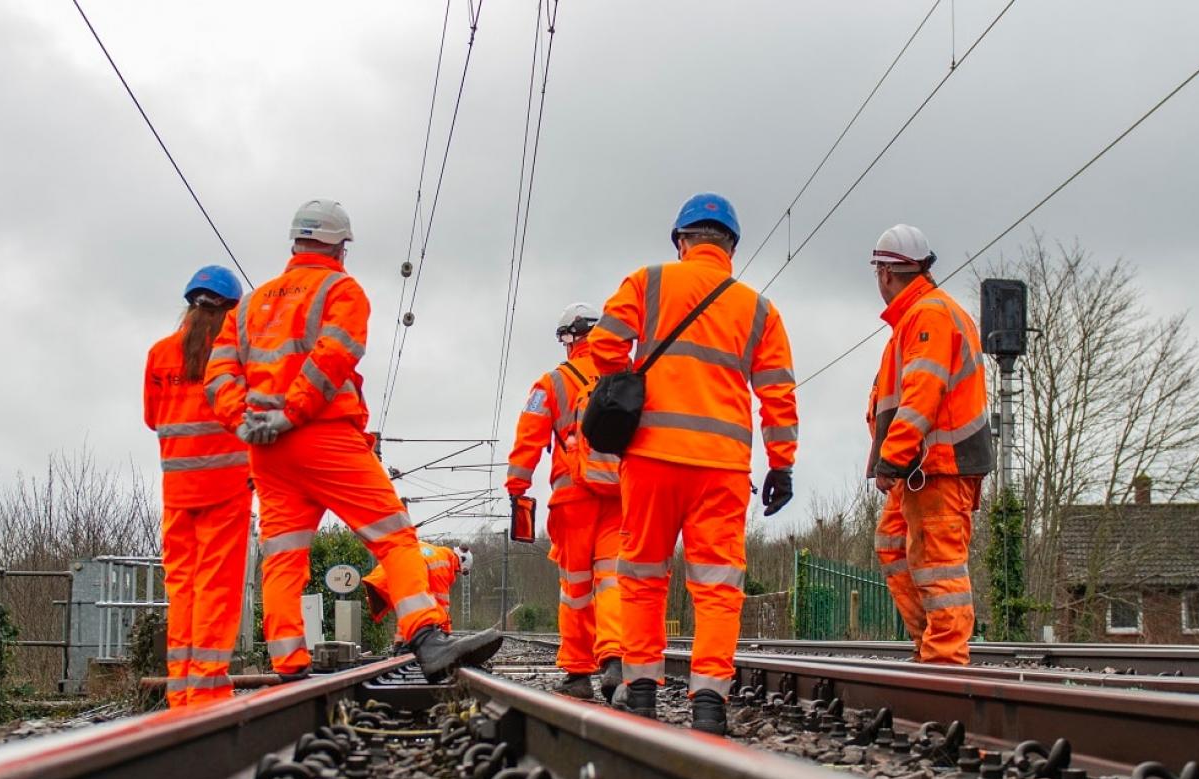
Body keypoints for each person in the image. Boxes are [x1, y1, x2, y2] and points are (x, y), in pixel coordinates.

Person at [205, 200, 501, 681]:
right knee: (395, 536)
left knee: (283, 555)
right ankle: (428, 637)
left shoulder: (250, 305)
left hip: (267, 452)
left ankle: (288, 663)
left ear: (295, 242)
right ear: (341, 247)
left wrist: (246, 422)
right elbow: (334, 356)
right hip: (322, 437)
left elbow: (218, 375)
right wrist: (292, 413)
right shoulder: (340, 289)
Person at [586, 193, 798, 735]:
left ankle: (641, 694)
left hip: (652, 457)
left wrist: (636, 378)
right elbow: (777, 393)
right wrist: (782, 464)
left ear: (682, 240)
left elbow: (604, 347)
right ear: (730, 246)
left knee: (640, 576)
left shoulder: (648, 281)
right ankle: (709, 702)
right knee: (718, 584)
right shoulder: (758, 308)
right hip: (723, 466)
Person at [864, 224, 993, 665]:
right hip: (923, 468)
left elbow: (922, 393)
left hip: (937, 466)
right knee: (893, 544)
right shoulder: (919, 316)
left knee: (939, 565)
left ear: (885, 273)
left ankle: (945, 664)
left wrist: (891, 458)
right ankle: (930, 650)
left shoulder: (928, 316)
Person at [144, 265, 249, 707]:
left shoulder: (160, 354)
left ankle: (181, 694)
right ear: (232, 310)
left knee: (182, 592)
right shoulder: (235, 356)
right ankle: (208, 696)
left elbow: (152, 418)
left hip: (177, 493)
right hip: (225, 490)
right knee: (216, 592)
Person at [507, 303, 623, 702]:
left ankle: (577, 673)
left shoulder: (552, 384)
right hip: (620, 494)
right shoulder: (625, 374)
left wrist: (517, 485)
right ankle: (615, 659)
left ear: (570, 338)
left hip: (573, 496)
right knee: (613, 580)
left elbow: (530, 435)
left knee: (576, 587)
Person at [363, 538, 459, 627]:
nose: (456, 576)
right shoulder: (443, 565)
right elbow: (441, 603)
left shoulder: (433, 552)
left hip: (380, 580)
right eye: (458, 572)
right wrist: (446, 630)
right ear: (458, 566)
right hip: (393, 583)